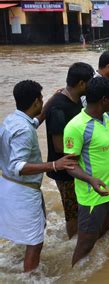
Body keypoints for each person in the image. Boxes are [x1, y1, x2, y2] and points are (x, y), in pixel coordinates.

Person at [0, 80, 77, 272]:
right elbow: (18, 166)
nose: (42, 102)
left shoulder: (13, 119)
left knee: (34, 229)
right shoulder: (24, 130)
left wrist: (52, 99)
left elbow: (36, 122)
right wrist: (54, 164)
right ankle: (30, 277)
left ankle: (21, 264)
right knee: (35, 242)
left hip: (11, 185)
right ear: (35, 101)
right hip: (23, 190)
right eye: (41, 99)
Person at [64, 77, 109, 266]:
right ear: (104, 100)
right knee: (85, 244)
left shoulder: (105, 118)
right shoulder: (76, 126)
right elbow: (69, 165)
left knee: (104, 233)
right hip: (93, 197)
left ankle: (101, 271)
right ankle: (76, 276)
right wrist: (90, 180)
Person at [45, 62, 94, 240]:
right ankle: (73, 242)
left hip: (76, 166)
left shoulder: (75, 101)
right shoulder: (59, 107)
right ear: (81, 84)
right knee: (72, 211)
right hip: (64, 171)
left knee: (80, 207)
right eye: (90, 82)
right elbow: (59, 146)